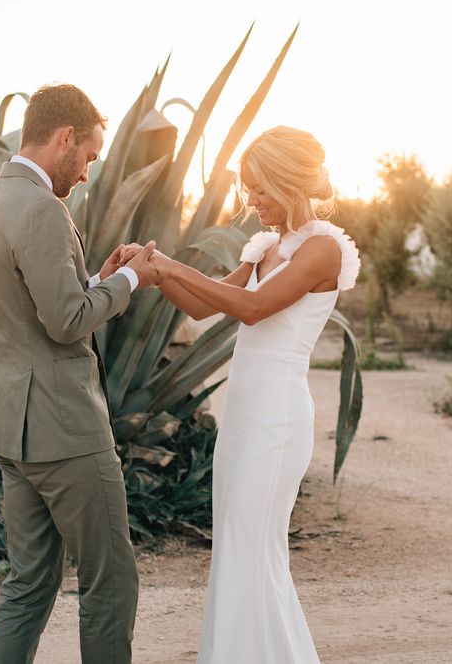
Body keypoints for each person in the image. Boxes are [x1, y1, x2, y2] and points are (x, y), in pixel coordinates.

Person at [124, 126, 360, 662]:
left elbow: (253, 309)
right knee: (236, 545)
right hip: (244, 417)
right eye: (246, 189)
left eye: (258, 189)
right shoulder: (265, 247)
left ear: (288, 181)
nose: (249, 202)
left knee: (254, 547)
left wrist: (172, 265)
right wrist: (153, 270)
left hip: (277, 420)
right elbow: (207, 307)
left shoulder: (322, 248)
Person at [0, 83, 160, 664]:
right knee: (111, 581)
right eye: (89, 156)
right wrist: (130, 281)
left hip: (11, 427)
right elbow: (67, 322)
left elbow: (33, 310)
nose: (87, 173)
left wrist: (97, 282)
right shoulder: (43, 209)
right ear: (65, 137)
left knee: (28, 584)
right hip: (64, 428)